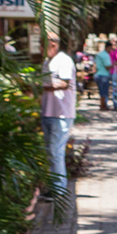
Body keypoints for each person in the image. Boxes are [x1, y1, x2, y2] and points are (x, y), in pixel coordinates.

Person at [39, 34, 77, 199]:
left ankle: (58, 190)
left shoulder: (64, 60)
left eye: (43, 44)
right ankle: (53, 187)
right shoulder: (47, 62)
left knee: (56, 152)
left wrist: (41, 86)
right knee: (50, 152)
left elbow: (64, 83)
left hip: (61, 114)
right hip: (48, 112)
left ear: (53, 44)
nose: (40, 48)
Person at [91, 43, 114, 111]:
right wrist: (114, 65)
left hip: (97, 75)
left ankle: (103, 105)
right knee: (104, 92)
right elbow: (107, 66)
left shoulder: (99, 54)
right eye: (110, 48)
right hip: (104, 75)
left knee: (101, 91)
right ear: (107, 47)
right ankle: (103, 106)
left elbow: (95, 64)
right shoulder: (106, 55)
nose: (111, 50)